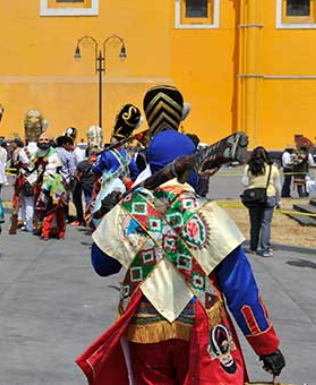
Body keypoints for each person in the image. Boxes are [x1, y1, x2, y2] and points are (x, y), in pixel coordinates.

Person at [78, 128, 286, 384]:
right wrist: (266, 346)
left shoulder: (127, 210)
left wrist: (109, 216)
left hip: (145, 328)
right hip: (197, 326)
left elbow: (102, 265)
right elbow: (240, 287)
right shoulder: (208, 213)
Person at [88, 104, 142, 227]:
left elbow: (96, 168)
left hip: (108, 188)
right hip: (123, 189)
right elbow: (135, 174)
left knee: (101, 220)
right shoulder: (130, 158)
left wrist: (92, 161)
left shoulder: (106, 154)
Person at [242, 146, 280, 257]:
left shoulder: (249, 167)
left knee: (254, 223)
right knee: (265, 223)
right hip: (269, 195)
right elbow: (278, 186)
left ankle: (253, 246)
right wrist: (279, 200)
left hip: (253, 196)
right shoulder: (273, 168)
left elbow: (244, 183)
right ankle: (265, 249)